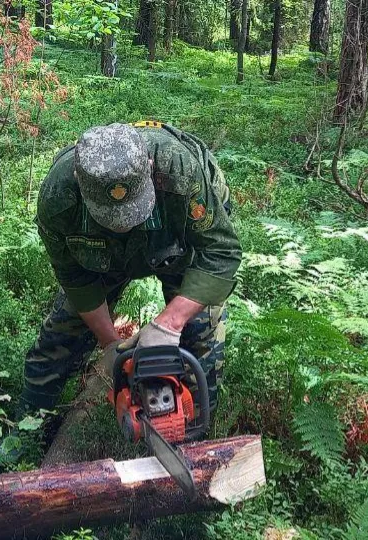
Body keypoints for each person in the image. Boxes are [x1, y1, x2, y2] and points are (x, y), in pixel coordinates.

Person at [21, 121, 242, 425]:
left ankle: (196, 437)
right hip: (103, 256)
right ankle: (26, 432)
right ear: (78, 182)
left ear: (150, 167)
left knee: (200, 343)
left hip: (178, 240)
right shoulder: (58, 198)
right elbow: (74, 277)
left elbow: (221, 253)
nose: (124, 223)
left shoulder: (181, 172)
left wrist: (169, 323)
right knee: (57, 342)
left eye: (131, 211)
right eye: (112, 216)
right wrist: (112, 346)